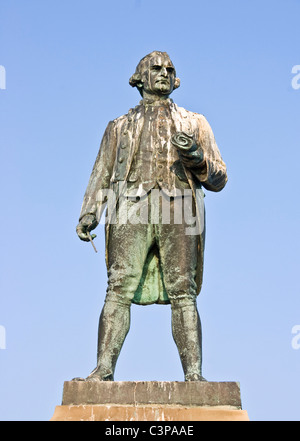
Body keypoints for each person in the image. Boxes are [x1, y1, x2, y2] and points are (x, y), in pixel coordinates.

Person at [75, 51, 227, 381]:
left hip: (180, 207)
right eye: (155, 68)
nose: (163, 73)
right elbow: (101, 171)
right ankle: (103, 369)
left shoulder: (194, 122)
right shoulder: (118, 127)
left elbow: (219, 178)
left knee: (183, 291)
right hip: (129, 205)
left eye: (169, 69)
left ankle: (194, 376)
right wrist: (90, 212)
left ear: (176, 79)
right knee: (117, 288)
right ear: (139, 78)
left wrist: (197, 157)